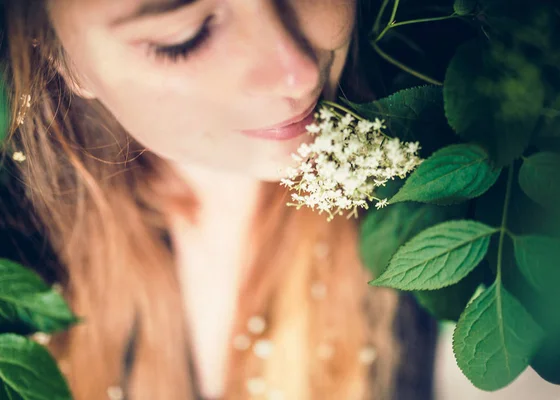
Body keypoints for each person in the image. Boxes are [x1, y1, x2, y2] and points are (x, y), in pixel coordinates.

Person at [0, 1, 436, 399]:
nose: (297, 71)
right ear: (60, 53)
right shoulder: (18, 249)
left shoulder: (441, 190)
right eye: (183, 39)